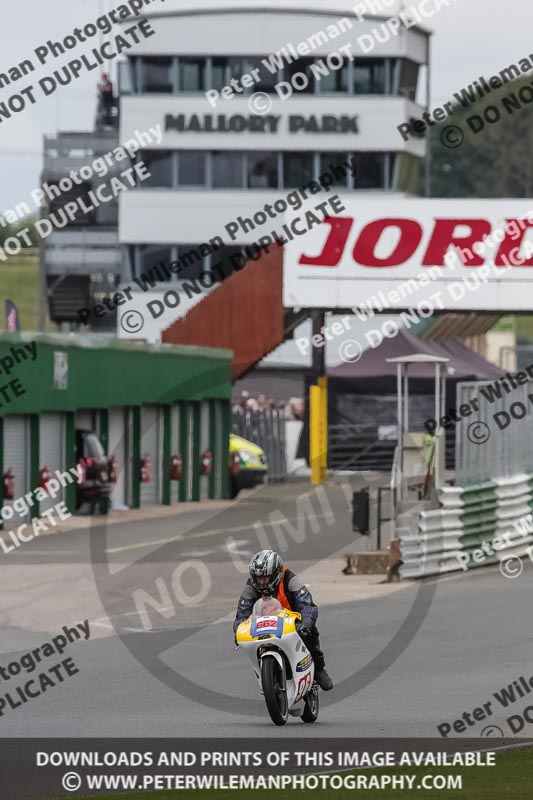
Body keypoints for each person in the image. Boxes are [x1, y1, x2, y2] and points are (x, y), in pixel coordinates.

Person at [233, 549, 334, 691]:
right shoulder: (251, 586)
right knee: (250, 644)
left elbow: (307, 604)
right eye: (257, 578)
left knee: (310, 632)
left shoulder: (290, 579)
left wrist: (306, 622)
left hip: (291, 622)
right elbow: (241, 614)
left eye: (265, 578)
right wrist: (238, 630)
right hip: (263, 624)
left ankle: (319, 668)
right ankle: (265, 675)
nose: (260, 582)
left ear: (275, 574)